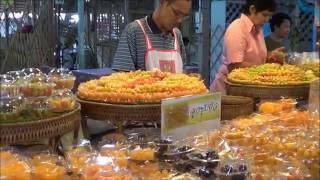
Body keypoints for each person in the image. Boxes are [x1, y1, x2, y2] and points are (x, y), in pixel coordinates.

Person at [210, 0, 283, 94]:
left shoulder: (258, 29)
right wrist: (266, 69)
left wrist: (270, 56)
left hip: (247, 89)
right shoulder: (238, 28)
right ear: (252, 9)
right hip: (228, 91)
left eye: (270, 16)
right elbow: (235, 65)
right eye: (264, 15)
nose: (267, 20)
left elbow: (254, 59)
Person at [112, 0, 191, 73]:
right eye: (176, 13)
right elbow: (121, 79)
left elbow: (182, 74)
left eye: (184, 16)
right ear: (163, 2)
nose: (180, 20)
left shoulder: (177, 35)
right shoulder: (133, 31)